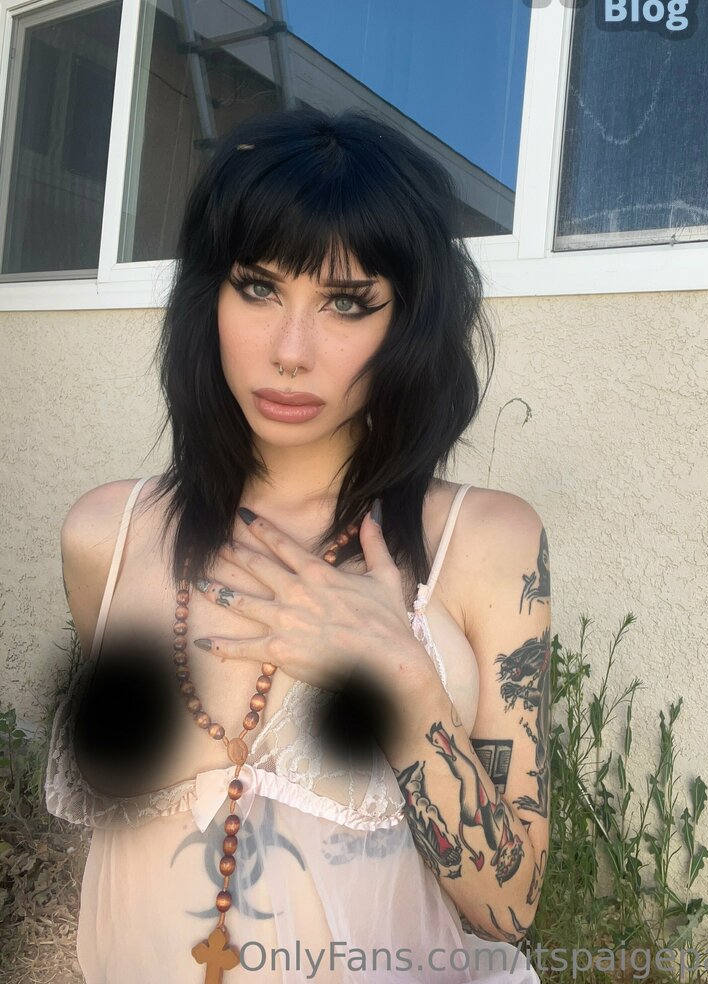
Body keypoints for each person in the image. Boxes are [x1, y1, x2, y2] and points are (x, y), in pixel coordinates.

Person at [45, 108, 551, 983]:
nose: (289, 352)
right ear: (208, 297)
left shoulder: (486, 543)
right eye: (257, 288)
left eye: (346, 303)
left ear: (408, 324)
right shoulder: (106, 535)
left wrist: (402, 678)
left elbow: (507, 908)